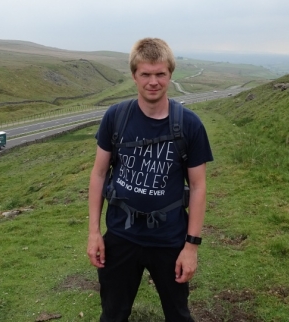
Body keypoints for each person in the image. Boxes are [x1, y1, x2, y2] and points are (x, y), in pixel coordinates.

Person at [87, 38, 213, 322]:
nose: (153, 82)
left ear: (170, 74)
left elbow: (198, 186)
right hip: (120, 235)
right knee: (112, 314)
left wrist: (191, 247)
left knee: (179, 315)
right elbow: (98, 174)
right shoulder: (115, 117)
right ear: (134, 75)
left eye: (160, 74)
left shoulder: (190, 125)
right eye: (145, 74)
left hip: (169, 239)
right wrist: (94, 233)